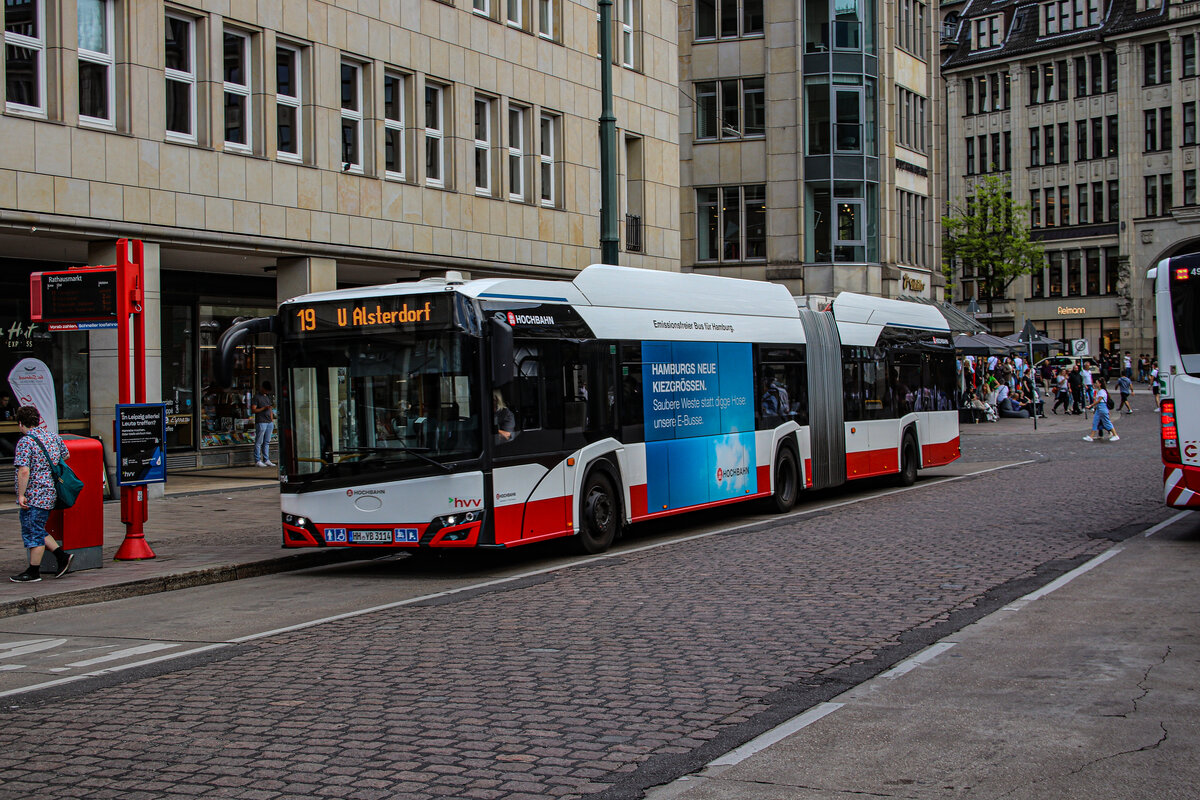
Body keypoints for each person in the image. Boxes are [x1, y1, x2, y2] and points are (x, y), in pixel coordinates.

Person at [10, 405, 73, 582]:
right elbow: (65, 455)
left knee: (32, 531)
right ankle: (62, 557)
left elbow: (24, 470)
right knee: (37, 527)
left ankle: (33, 571)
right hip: (50, 491)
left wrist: (21, 494)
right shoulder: (52, 436)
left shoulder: (25, 442)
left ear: (21, 423)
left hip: (34, 494)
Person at [1083, 377, 1119, 442]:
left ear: (1100, 384)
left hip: (1102, 408)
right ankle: (1091, 436)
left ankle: (1115, 435)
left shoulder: (1102, 391)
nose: (1095, 384)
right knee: (1095, 422)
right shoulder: (1100, 391)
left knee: (1107, 422)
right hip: (1099, 408)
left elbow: (1099, 401)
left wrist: (1091, 405)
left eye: (1096, 383)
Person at [251, 381, 276, 467]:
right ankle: (257, 460)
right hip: (261, 421)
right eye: (266, 390)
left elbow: (270, 409)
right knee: (259, 442)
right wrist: (263, 408)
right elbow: (253, 410)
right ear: (262, 388)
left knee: (267, 441)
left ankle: (266, 459)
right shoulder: (256, 397)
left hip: (269, 422)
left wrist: (272, 419)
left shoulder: (267, 397)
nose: (267, 392)